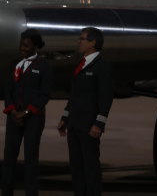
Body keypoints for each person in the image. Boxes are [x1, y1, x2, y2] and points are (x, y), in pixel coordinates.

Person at [57, 27, 113, 196]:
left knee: (91, 168)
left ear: (93, 43)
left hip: (89, 126)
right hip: (75, 125)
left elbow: (106, 98)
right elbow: (74, 96)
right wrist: (65, 118)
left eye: (82, 39)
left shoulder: (102, 67)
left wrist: (99, 123)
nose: (79, 42)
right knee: (76, 167)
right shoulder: (80, 64)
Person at [2, 29, 52, 196]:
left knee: (30, 159)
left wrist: (26, 112)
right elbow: (8, 90)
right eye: (21, 44)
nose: (22, 48)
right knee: (9, 157)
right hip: (14, 117)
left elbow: (45, 94)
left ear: (35, 46)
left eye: (26, 45)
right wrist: (13, 111)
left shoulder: (44, 66)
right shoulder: (14, 64)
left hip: (33, 119)